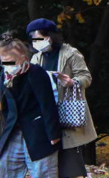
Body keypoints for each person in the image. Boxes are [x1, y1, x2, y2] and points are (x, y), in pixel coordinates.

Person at [27, 18, 98, 178]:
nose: (36, 42)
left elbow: (86, 77)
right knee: (48, 159)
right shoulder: (37, 58)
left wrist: (72, 82)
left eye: (39, 38)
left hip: (66, 110)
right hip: (45, 112)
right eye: (33, 39)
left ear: (49, 36)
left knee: (68, 157)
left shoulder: (70, 53)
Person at [0, 32, 62, 178]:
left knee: (42, 171)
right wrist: (6, 130)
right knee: (3, 168)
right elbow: (5, 106)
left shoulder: (36, 73)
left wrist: (53, 134)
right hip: (14, 130)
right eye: (4, 62)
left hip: (38, 131)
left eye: (11, 61)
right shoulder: (3, 75)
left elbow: (47, 104)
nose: (7, 66)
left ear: (23, 58)